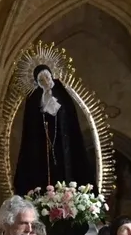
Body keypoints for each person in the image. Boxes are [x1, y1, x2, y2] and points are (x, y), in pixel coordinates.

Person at [14, 65, 93, 195]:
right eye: (41, 79)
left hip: (62, 143)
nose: (45, 80)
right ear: (37, 82)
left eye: (47, 76)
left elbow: (69, 118)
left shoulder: (62, 94)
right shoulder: (34, 99)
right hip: (41, 147)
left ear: (51, 76)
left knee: (64, 171)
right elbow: (30, 127)